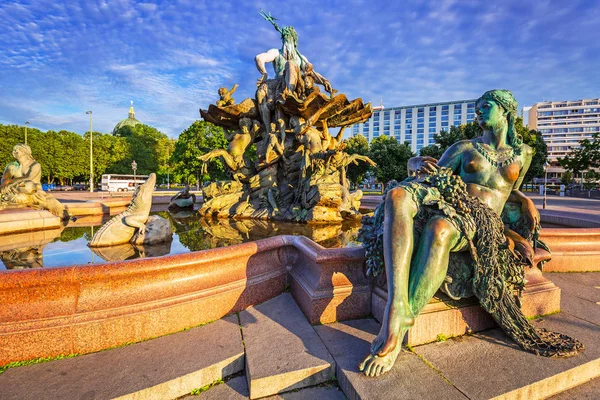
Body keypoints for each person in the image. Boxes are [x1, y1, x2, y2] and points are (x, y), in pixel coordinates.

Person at [359, 89, 582, 377]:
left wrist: (524, 202)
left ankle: (401, 322)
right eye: (476, 107)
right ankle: (397, 310)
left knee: (438, 229)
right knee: (410, 204)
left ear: (505, 111)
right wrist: (414, 163)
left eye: (485, 106)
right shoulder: (464, 148)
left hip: (486, 224)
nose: (478, 112)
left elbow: (507, 192)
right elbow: (432, 175)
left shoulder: (524, 153)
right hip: (460, 210)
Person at [0, 144, 67, 219]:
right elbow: (4, 179)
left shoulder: (35, 165)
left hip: (31, 190)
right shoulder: (11, 166)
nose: (14, 152)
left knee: (28, 185)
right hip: (15, 188)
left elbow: (29, 177)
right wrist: (6, 185)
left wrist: (12, 184)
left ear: (24, 152)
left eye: (16, 150)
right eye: (13, 150)